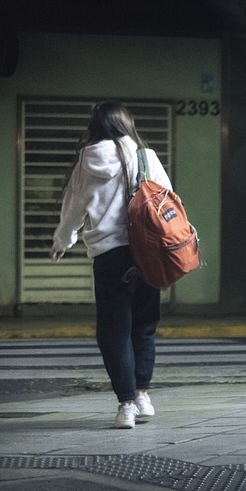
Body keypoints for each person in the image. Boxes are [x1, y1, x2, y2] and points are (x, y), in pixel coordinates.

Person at [49, 100, 173, 429]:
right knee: (144, 326)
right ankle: (143, 395)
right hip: (147, 251)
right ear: (125, 124)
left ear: (96, 126)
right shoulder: (146, 156)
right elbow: (168, 200)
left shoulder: (86, 162)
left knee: (114, 331)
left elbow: (73, 210)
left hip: (109, 256)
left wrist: (62, 242)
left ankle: (126, 405)